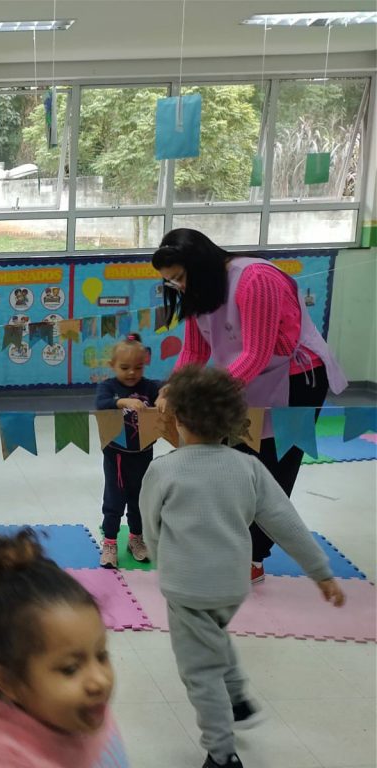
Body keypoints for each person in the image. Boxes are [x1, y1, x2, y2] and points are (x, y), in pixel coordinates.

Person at [140, 365, 346, 768]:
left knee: (200, 672)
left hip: (187, 588)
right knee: (213, 632)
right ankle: (237, 697)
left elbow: (151, 528)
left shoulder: (163, 469)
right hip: (233, 585)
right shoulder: (249, 468)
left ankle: (222, 753)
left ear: (177, 418)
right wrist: (320, 572)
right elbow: (286, 523)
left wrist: (164, 562)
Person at [152, 228, 347, 584]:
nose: (177, 286)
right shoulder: (199, 289)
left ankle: (253, 557)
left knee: (272, 468)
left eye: (179, 277)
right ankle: (229, 544)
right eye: (171, 282)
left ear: (199, 264)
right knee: (237, 462)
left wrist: (205, 395)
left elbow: (257, 352)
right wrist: (171, 389)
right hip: (244, 379)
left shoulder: (255, 278)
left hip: (296, 379)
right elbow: (195, 350)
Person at [0, 528, 129, 768]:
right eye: (70, 669)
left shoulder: (83, 710)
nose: (99, 681)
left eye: (101, 656)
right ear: (8, 681)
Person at [94, 333, 160, 569]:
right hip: (117, 456)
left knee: (140, 500)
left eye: (138, 367)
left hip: (143, 454)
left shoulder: (149, 387)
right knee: (114, 499)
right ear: (112, 365)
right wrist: (122, 402)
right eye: (124, 367)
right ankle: (110, 542)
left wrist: (165, 397)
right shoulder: (108, 387)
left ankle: (136, 539)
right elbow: (101, 404)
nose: (132, 373)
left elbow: (165, 392)